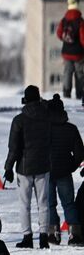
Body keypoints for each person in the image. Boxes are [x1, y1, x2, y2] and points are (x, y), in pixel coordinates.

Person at [4, 86, 54, 250]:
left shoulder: (19, 120)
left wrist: (8, 168)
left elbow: (14, 147)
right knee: (44, 203)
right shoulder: (47, 116)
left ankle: (27, 236)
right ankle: (44, 237)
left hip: (24, 168)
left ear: (25, 99)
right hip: (43, 165)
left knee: (24, 204)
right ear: (38, 98)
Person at [45, 95, 83, 246]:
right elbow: (80, 154)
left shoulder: (43, 129)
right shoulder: (71, 129)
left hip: (46, 171)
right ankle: (75, 235)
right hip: (64, 172)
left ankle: (53, 234)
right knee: (68, 204)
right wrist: (71, 166)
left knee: (49, 204)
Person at [55, 0, 82, 104]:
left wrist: (67, 41)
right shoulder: (80, 21)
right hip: (79, 54)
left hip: (66, 53)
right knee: (79, 74)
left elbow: (58, 34)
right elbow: (83, 38)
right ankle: (80, 94)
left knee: (67, 73)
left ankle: (66, 94)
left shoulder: (64, 20)